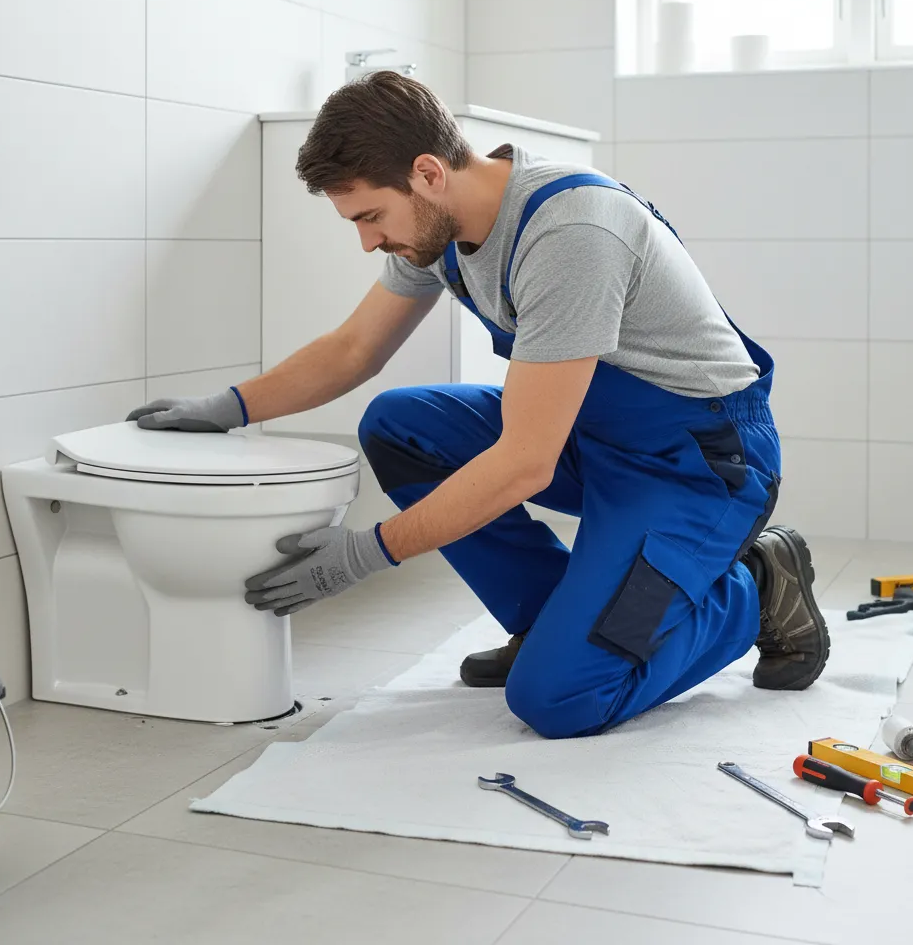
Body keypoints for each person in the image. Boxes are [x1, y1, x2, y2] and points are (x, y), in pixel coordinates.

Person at [127, 72, 829, 740]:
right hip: (589, 434)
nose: (368, 241)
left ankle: (759, 585)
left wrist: (366, 555)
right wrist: (227, 408)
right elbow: (353, 350)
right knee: (401, 426)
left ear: (428, 173)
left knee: (561, 699)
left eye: (370, 216)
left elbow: (524, 463)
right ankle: (550, 621)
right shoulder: (441, 228)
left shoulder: (570, 234)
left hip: (697, 462)